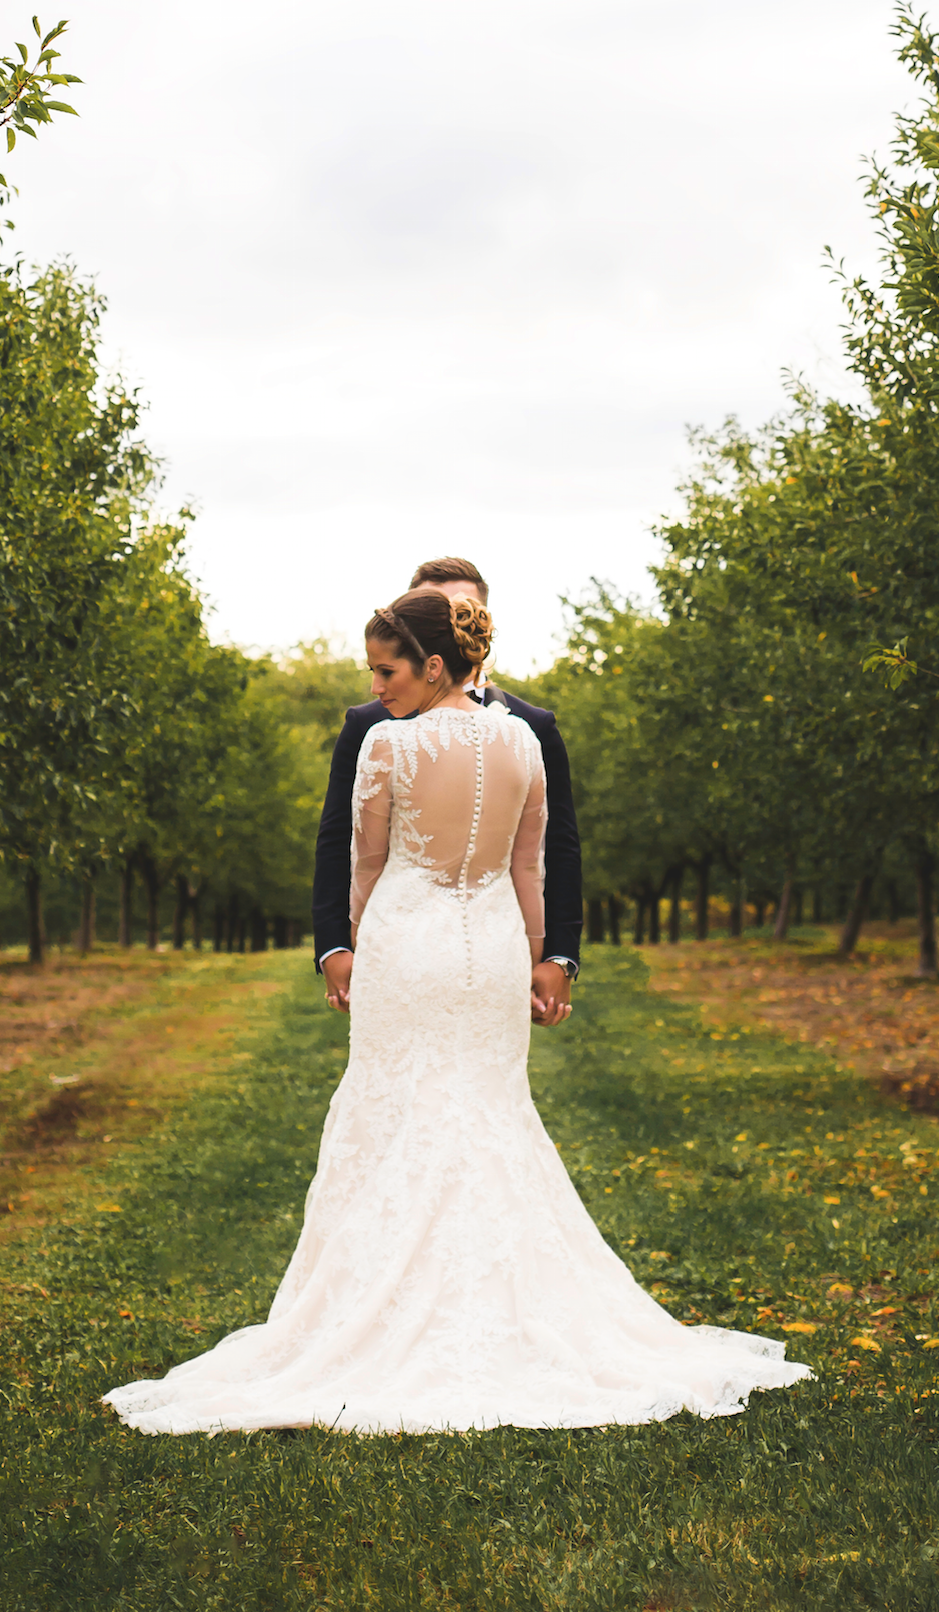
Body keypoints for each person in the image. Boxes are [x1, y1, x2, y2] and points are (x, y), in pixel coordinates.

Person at [105, 588, 810, 1434]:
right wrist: (546, 956)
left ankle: (381, 1319)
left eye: (386, 668)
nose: (376, 684)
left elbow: (364, 864)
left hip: (409, 944)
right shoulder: (521, 741)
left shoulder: (387, 746)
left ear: (432, 664)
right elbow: (530, 865)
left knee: (396, 1111)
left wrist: (357, 940)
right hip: (493, 948)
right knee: (487, 1112)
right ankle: (501, 1307)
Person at [312, 555, 581, 1025]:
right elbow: (339, 840)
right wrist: (336, 945)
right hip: (399, 951)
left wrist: (556, 958)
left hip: (493, 949)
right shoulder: (368, 724)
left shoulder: (533, 728)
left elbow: (555, 850)